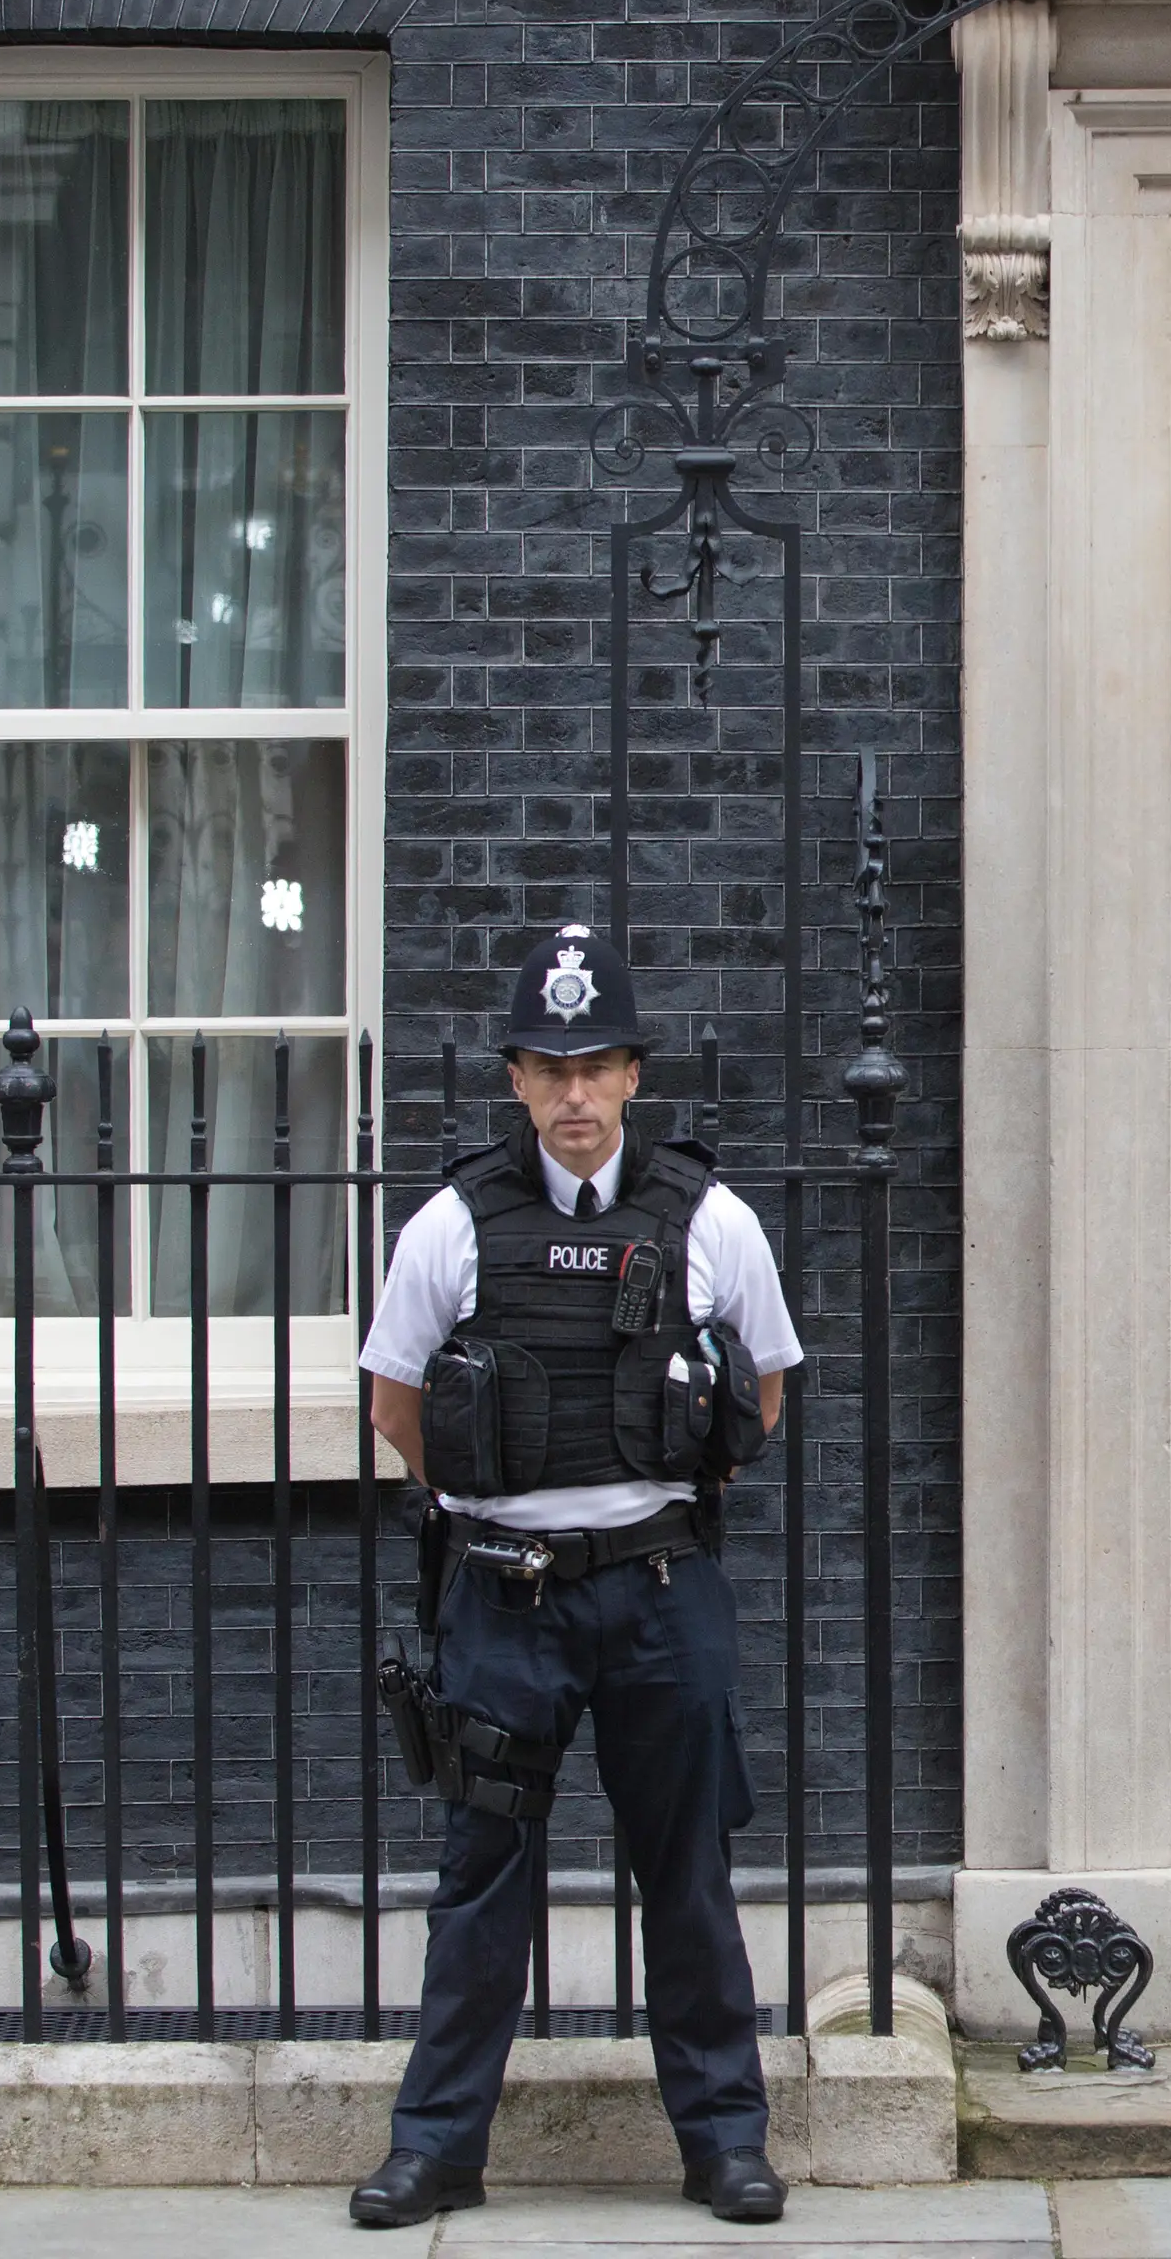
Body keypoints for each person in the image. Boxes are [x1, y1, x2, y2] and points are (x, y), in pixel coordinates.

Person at [346, 923, 798, 2230]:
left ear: (635, 1074)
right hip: (505, 1596)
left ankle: (723, 2142)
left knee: (690, 1874)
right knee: (482, 1870)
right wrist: (497, 1509)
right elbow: (393, 1408)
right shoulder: (454, 1223)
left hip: (660, 1594)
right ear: (517, 1080)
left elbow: (763, 1395)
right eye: (552, 1068)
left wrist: (659, 1493)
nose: (577, 1093)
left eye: (598, 1064)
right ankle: (438, 2149)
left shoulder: (708, 1219)